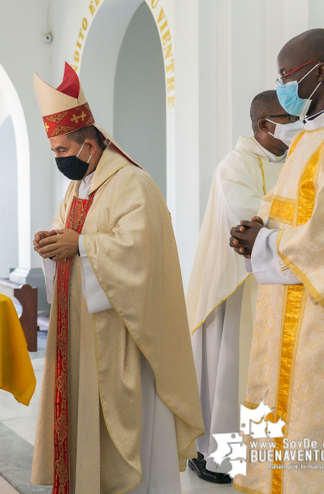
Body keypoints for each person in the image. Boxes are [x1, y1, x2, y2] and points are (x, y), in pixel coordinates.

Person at [30, 63, 203, 494]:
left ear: (89, 144)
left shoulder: (132, 183)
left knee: (130, 430)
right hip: (79, 327)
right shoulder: (80, 185)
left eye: (61, 150)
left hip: (123, 333)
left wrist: (82, 246)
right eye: (53, 152)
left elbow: (141, 253)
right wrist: (51, 245)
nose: (58, 160)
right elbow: (70, 235)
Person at [230, 28, 324, 494]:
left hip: (321, 315)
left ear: (320, 71)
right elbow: (277, 208)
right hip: (282, 303)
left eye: (287, 75)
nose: (283, 85)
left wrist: (263, 245)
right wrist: (251, 233)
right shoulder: (307, 136)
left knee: (316, 428)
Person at [185, 91, 291, 483]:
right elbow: (246, 220)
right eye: (288, 118)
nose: (297, 125)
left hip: (280, 279)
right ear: (264, 125)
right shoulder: (236, 165)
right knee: (233, 371)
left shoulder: (292, 162)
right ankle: (220, 459)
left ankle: (267, 456)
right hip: (238, 286)